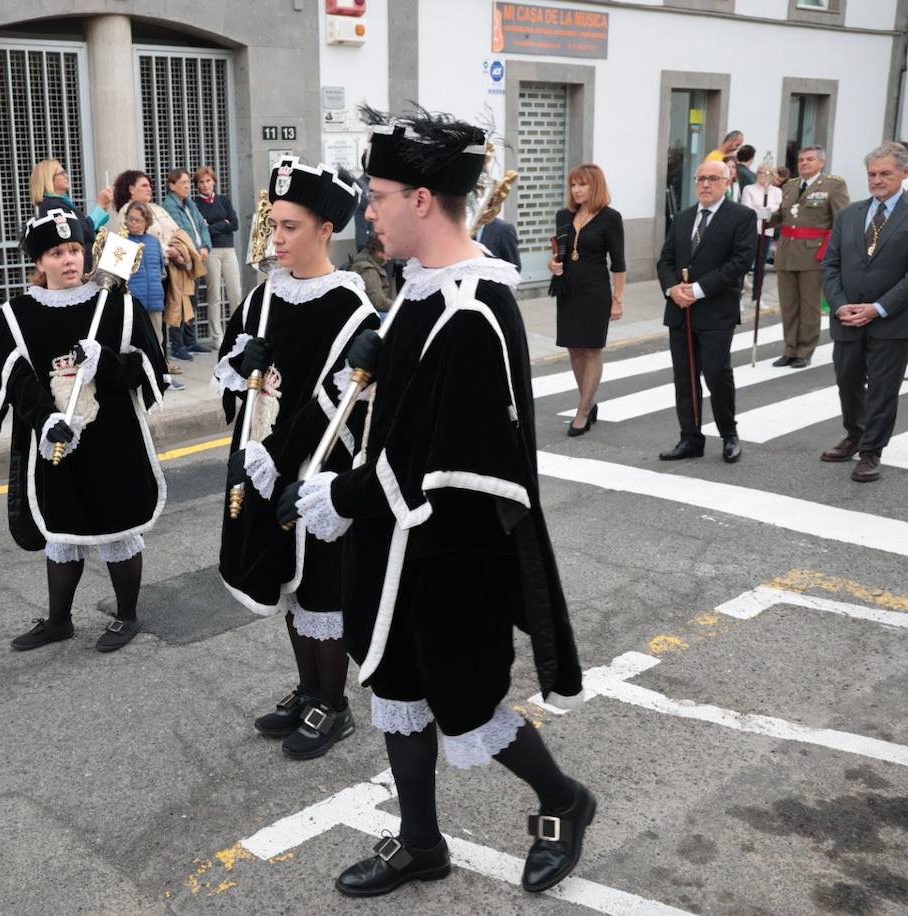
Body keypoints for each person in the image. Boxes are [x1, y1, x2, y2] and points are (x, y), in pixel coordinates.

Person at [278, 107, 591, 899]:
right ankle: (421, 843)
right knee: (399, 692)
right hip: (400, 544)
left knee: (462, 703)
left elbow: (447, 462)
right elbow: (404, 422)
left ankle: (563, 799)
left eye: (378, 196)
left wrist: (342, 496)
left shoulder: (474, 311)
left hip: (451, 553)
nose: (368, 210)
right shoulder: (423, 294)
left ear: (422, 200)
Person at [216, 156, 378, 760]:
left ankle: (333, 705)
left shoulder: (351, 310)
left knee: (320, 590)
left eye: (289, 227)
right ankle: (309, 687)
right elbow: (233, 377)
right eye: (273, 224)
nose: (276, 238)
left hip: (311, 472)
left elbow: (339, 411)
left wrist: (276, 462)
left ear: (323, 231)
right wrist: (240, 365)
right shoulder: (265, 296)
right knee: (285, 583)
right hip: (260, 461)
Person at [0, 208, 170, 653]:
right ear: (39, 262)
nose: (69, 260)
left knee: (117, 527)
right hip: (56, 441)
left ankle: (125, 616)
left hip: (114, 440)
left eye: (74, 250)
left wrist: (105, 362)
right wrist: (45, 418)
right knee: (63, 530)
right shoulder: (17, 314)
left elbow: (150, 369)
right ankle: (58, 621)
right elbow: (15, 379)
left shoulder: (118, 304)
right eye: (56, 252)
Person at [819, 141, 908, 483]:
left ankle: (871, 450)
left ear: (906, 172)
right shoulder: (849, 215)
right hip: (848, 317)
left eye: (885, 173)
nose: (876, 180)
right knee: (848, 381)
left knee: (883, 389)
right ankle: (854, 435)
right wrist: (841, 304)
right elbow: (830, 264)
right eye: (872, 173)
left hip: (892, 320)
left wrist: (879, 308)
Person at [657, 160, 756, 464]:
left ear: (727, 182)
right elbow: (665, 260)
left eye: (713, 178)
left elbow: (740, 262)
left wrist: (698, 290)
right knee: (685, 377)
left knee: (716, 372)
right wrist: (673, 289)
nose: (705, 184)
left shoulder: (742, 216)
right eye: (700, 178)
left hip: (716, 309)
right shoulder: (684, 218)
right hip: (680, 311)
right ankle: (690, 438)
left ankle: (729, 434)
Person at [548, 164, 625, 436]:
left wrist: (618, 299)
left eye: (583, 185)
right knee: (573, 349)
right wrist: (553, 265)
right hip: (568, 291)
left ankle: (582, 411)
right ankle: (588, 401)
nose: (577, 190)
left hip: (595, 292)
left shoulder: (610, 217)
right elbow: (561, 255)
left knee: (591, 349)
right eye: (573, 185)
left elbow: (619, 263)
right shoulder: (564, 216)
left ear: (595, 187)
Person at [767, 145, 849, 368]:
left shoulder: (834, 185)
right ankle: (789, 348)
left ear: (821, 163)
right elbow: (782, 216)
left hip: (814, 254)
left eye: (810, 159)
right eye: (801, 160)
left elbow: (841, 222)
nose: (804, 163)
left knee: (809, 305)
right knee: (789, 304)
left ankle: (805, 350)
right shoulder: (791, 185)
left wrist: (833, 254)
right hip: (786, 252)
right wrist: (765, 216)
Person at [124, 202, 182, 391]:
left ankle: (161, 378)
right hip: (134, 300)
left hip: (155, 299)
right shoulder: (123, 242)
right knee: (134, 343)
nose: (133, 223)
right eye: (130, 219)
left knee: (158, 341)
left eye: (137, 220)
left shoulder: (153, 241)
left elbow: (161, 270)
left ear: (146, 221)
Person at [162, 168, 214, 358]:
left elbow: (202, 225)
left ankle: (190, 341)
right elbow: (181, 231)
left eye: (188, 182)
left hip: (197, 259)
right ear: (172, 186)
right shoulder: (170, 206)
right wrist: (195, 251)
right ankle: (178, 345)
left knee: (192, 300)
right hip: (182, 261)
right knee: (179, 301)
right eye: (183, 183)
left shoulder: (190, 204)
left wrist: (206, 246)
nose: (187, 186)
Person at [29, 159, 112, 272]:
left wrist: (103, 207)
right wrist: (100, 206)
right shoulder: (52, 206)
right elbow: (80, 231)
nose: (67, 176)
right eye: (61, 173)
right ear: (49, 179)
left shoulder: (59, 202)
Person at [195, 166, 241, 347]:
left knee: (235, 293)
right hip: (211, 251)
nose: (205, 185)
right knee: (214, 295)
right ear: (197, 185)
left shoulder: (223, 200)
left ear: (214, 181)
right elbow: (201, 230)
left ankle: (238, 333)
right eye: (201, 182)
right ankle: (217, 337)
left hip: (229, 250)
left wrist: (213, 225)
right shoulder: (196, 204)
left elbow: (235, 224)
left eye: (208, 180)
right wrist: (223, 223)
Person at [741, 163, 783, 291]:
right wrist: (764, 211)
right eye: (759, 172)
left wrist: (762, 209)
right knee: (745, 261)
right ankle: (740, 294)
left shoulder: (776, 191)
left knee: (761, 264)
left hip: (767, 230)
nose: (761, 175)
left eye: (765, 173)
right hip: (751, 230)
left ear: (772, 175)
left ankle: (757, 295)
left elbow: (778, 208)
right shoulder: (749, 189)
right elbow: (747, 209)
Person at [349, 235, 394, 311]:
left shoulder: (362, 260)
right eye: (388, 252)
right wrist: (399, 307)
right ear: (378, 251)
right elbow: (379, 303)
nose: (389, 258)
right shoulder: (368, 270)